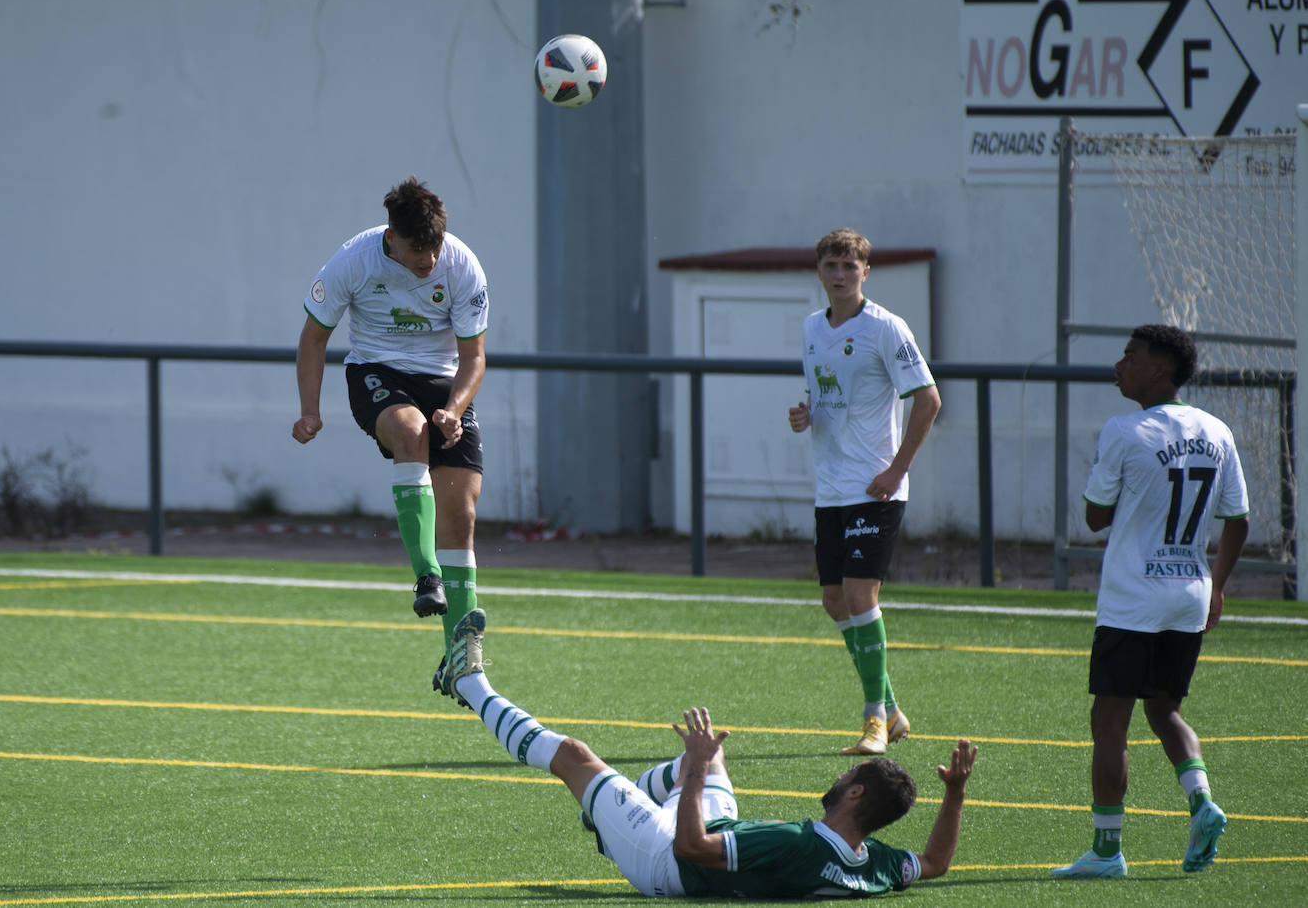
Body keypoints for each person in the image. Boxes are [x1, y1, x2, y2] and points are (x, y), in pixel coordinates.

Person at [440, 607, 978, 898]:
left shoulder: (796, 843)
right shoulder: (873, 864)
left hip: (665, 860)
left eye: (849, 773)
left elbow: (692, 848)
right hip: (707, 840)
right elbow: (935, 863)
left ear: (855, 792)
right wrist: (953, 793)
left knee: (575, 757)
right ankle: (606, 810)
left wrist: (693, 775)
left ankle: (468, 681)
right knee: (710, 756)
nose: (840, 775)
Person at [1053, 324, 1249, 880]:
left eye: (1130, 357)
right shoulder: (1217, 430)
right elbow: (1238, 519)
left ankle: (1107, 850)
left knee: (1109, 717)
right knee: (1164, 710)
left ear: (1159, 370)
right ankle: (1202, 799)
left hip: (1132, 598)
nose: (1120, 365)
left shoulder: (1123, 429)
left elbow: (1094, 518)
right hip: (1188, 594)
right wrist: (1219, 584)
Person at [292, 176, 489, 681]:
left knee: (461, 516)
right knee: (410, 432)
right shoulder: (352, 261)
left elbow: (473, 357)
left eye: (435, 247)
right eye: (417, 249)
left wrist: (454, 407)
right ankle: (426, 575)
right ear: (391, 237)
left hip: (444, 383)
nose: (428, 261)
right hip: (376, 373)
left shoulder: (462, 264)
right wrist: (309, 410)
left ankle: (460, 659)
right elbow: (314, 338)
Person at [788, 228, 941, 756]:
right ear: (819, 271)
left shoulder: (885, 327)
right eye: (830, 265)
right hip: (830, 487)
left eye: (849, 266)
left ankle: (874, 720)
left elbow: (928, 399)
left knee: (859, 596)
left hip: (875, 487)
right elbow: (825, 394)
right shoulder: (811, 327)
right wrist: (806, 414)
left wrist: (898, 470)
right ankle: (894, 709)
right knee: (835, 603)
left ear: (865, 273)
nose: (839, 274)